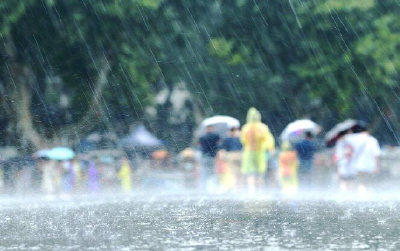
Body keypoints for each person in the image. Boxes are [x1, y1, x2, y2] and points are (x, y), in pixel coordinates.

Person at [241, 108, 275, 193]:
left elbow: (243, 141)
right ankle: (259, 189)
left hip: (249, 153)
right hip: (260, 152)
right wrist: (271, 149)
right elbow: (269, 139)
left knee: (250, 172)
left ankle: (251, 189)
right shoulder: (263, 127)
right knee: (260, 172)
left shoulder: (245, 128)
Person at [342, 123, 380, 194]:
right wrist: (377, 166)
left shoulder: (354, 138)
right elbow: (376, 154)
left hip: (358, 164)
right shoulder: (373, 140)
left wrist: (350, 131)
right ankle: (369, 194)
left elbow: (344, 138)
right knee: (369, 182)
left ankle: (362, 195)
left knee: (361, 182)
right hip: (370, 165)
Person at [220, 127, 243, 191]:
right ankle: (240, 188)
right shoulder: (240, 138)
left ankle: (235, 188)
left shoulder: (227, 139)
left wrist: (223, 158)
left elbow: (222, 150)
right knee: (240, 173)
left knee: (234, 173)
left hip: (231, 156)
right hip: (241, 155)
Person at [199, 125, 220, 192]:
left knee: (204, 172)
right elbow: (218, 144)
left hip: (205, 156)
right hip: (212, 156)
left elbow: (200, 145)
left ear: (206, 129)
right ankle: (213, 188)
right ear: (212, 128)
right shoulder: (216, 136)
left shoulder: (202, 137)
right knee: (213, 172)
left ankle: (204, 188)